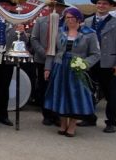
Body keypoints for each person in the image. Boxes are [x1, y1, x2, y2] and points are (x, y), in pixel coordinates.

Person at [44, 7, 100, 137]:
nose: (69, 20)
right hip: (60, 67)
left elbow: (96, 54)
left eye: (71, 17)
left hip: (77, 68)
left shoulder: (89, 33)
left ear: (79, 18)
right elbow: (52, 51)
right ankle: (63, 123)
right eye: (67, 18)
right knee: (61, 94)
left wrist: (84, 64)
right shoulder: (59, 32)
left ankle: (72, 125)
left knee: (75, 96)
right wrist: (48, 68)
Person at [81, 0, 116, 133]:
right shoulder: (87, 22)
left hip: (108, 63)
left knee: (110, 94)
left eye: (105, 4)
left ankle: (112, 122)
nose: (101, 6)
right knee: (88, 91)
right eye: (99, 3)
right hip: (90, 62)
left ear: (111, 6)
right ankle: (89, 117)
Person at [31, 0, 68, 126]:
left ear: (62, 8)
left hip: (61, 61)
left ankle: (57, 114)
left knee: (58, 87)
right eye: (52, 6)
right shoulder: (41, 21)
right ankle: (46, 114)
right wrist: (44, 53)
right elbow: (34, 39)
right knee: (44, 87)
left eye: (57, 6)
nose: (54, 9)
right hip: (42, 59)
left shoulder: (67, 23)